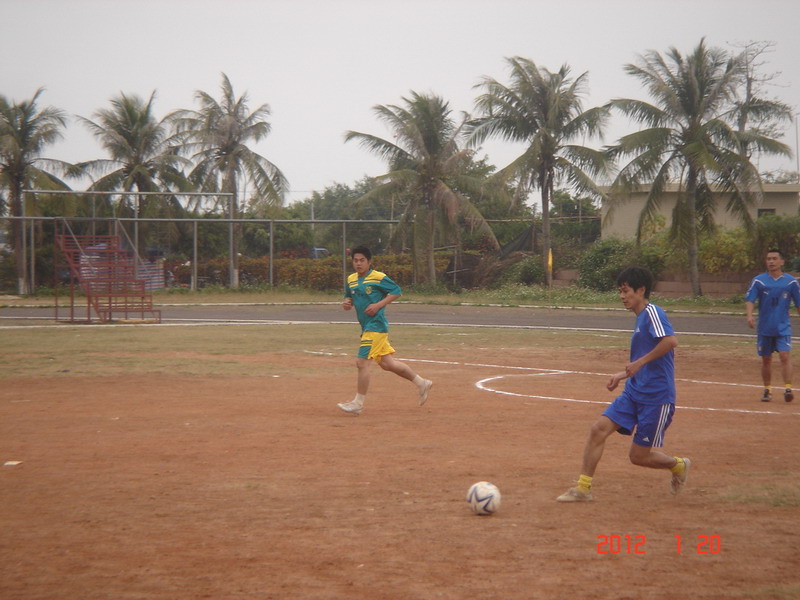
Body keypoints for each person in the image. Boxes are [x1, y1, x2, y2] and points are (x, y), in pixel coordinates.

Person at [557, 266, 690, 502]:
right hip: (634, 392)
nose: (622, 296)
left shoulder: (653, 312)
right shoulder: (640, 318)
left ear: (641, 290)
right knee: (598, 429)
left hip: (656, 397)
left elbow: (671, 341)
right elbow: (644, 359)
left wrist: (639, 363)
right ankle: (583, 489)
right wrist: (622, 374)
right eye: (620, 291)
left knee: (638, 457)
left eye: (626, 291)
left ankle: (678, 465)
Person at [337, 245, 433, 415]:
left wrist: (378, 305)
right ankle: (421, 383)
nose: (358, 263)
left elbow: (396, 291)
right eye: (355, 260)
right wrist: (346, 303)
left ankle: (358, 403)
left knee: (362, 363)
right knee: (388, 364)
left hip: (376, 326)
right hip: (367, 327)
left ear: (369, 262)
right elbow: (348, 297)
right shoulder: (351, 279)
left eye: (362, 260)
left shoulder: (378, 277)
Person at [745, 248, 800, 403]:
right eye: (768, 259)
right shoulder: (759, 281)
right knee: (766, 359)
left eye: (775, 259)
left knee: (784, 356)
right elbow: (750, 299)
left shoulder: (791, 282)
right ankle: (767, 389)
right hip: (765, 327)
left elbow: (798, 303)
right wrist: (749, 315)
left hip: (783, 327)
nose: (771, 262)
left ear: (782, 262)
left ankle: (788, 388)